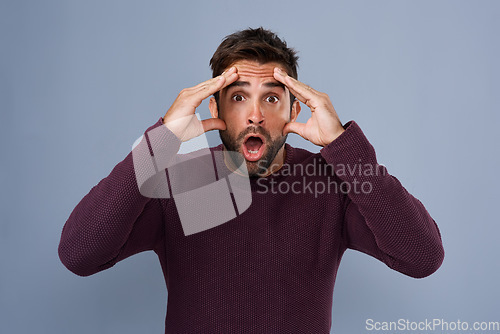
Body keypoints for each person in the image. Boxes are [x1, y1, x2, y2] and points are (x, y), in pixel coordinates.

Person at [58, 27, 444, 333]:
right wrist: (158, 144)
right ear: (215, 108)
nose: (255, 115)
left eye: (272, 98)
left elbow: (422, 257)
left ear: (296, 108)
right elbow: (79, 254)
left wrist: (344, 145)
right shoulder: (179, 184)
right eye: (239, 97)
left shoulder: (330, 184)